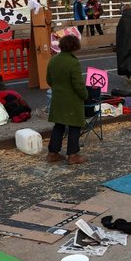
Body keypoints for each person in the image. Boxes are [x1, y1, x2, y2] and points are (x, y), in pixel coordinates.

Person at [46, 34, 88, 165]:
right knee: (75, 126)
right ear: (75, 46)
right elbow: (78, 84)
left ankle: (52, 153)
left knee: (58, 125)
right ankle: (73, 154)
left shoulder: (53, 60)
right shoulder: (73, 62)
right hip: (72, 99)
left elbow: (49, 80)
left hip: (57, 98)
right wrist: (85, 95)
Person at [115, 3, 131, 85]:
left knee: (124, 57)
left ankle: (127, 73)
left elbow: (119, 31)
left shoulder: (123, 19)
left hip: (124, 41)